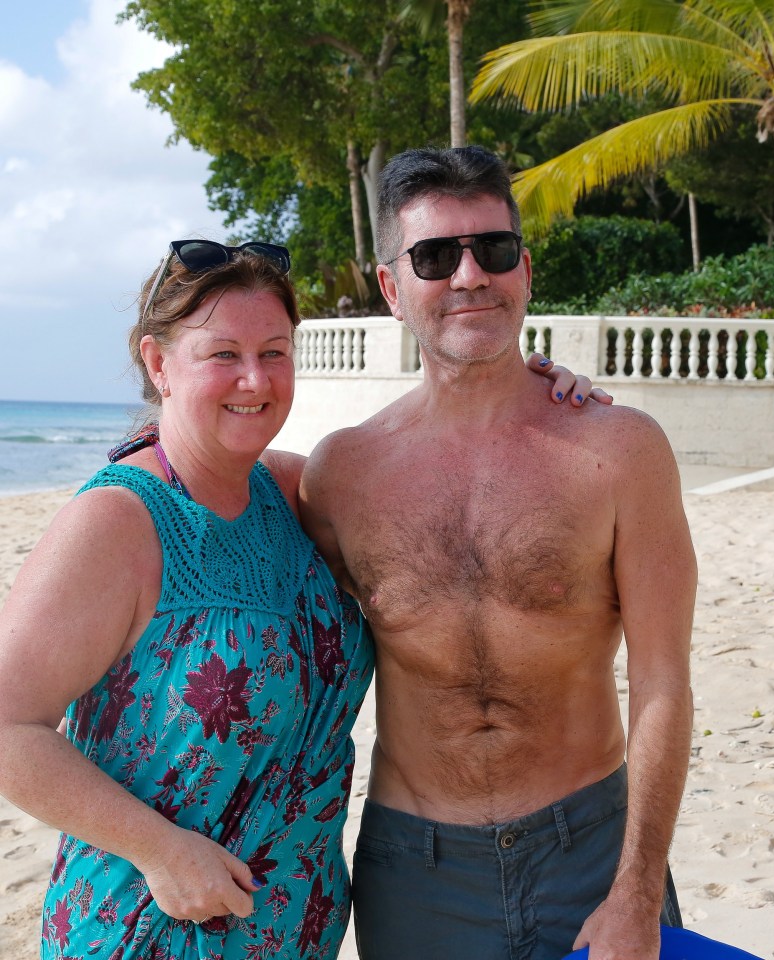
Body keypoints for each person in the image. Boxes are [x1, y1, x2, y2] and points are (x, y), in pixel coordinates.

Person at [0, 237, 600, 959]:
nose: (254, 378)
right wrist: (159, 850)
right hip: (153, 928)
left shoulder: (296, 492)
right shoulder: (119, 523)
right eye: (223, 354)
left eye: (275, 352)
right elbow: (9, 728)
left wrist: (530, 391)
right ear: (159, 363)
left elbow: (445, 474)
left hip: (301, 933)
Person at [298, 147, 698, 960]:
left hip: (591, 845)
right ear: (390, 286)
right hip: (412, 867)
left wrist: (637, 890)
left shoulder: (619, 451)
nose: (469, 275)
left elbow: (663, 680)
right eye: (435, 256)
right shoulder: (339, 474)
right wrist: (152, 439)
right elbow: (217, 495)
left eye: (494, 249)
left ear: (524, 270)